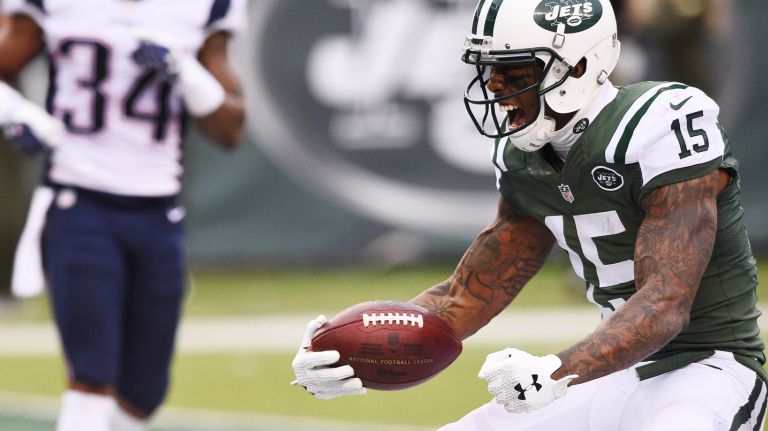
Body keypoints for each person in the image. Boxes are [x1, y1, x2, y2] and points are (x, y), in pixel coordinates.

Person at [292, 0, 766, 429]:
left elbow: (665, 304)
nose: (496, 88)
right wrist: (342, 347)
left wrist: (557, 370)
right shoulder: (523, 158)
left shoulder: (658, 123)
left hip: (710, 368)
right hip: (616, 375)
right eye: (490, 72)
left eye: (515, 72)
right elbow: (466, 296)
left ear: (579, 64)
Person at [0, 0, 245, 430]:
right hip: (79, 202)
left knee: (143, 395)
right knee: (90, 378)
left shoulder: (201, 7)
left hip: (157, 211)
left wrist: (186, 72)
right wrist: (16, 113)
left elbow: (230, 129)